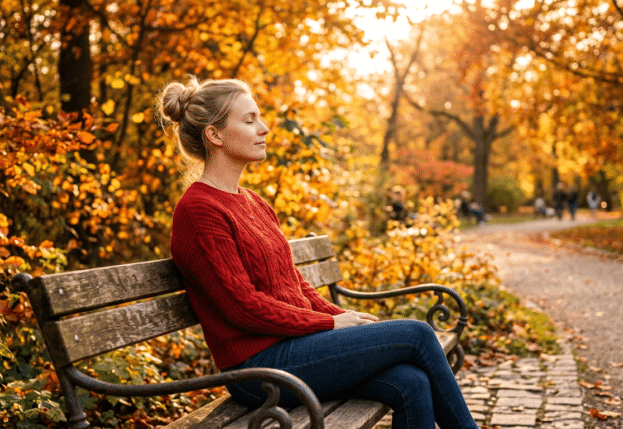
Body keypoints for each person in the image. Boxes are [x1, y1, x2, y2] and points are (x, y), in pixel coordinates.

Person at [159, 77, 479, 429]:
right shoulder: (199, 210)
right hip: (256, 369)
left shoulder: (254, 202)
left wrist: (340, 315)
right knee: (418, 334)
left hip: (294, 350)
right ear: (215, 135)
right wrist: (329, 324)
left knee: (410, 382)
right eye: (249, 120)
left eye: (259, 118)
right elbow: (241, 306)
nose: (263, 128)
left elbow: (293, 283)